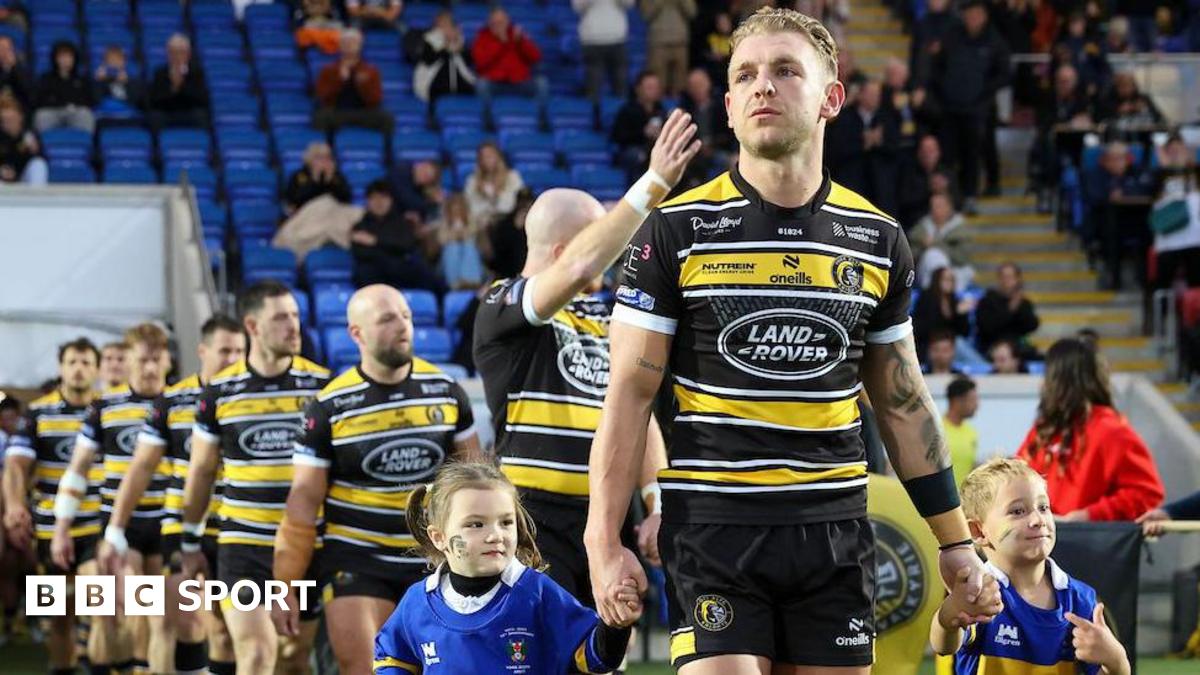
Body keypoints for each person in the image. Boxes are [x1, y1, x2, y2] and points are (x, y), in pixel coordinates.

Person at [586, 9, 1002, 673]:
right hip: (714, 531)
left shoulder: (878, 239)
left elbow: (902, 403)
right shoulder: (674, 231)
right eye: (745, 75)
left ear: (831, 98)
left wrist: (954, 542)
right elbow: (629, 396)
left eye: (785, 70)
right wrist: (602, 538)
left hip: (834, 533)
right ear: (728, 107)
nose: (763, 86)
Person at [474, 179, 689, 604]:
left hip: (607, 513)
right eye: (603, 240)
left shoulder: (610, 316)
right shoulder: (502, 303)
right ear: (565, 251)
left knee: (610, 641)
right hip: (531, 517)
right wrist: (655, 182)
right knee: (542, 641)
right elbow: (580, 269)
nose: (612, 256)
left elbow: (637, 409)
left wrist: (656, 504)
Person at [271, 286, 479, 675]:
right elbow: (303, 502)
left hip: (433, 557)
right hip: (356, 555)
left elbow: (476, 484)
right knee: (365, 666)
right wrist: (285, 586)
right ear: (357, 334)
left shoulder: (446, 391)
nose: (403, 326)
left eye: (406, 316)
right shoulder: (329, 406)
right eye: (387, 319)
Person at [180, 282, 331, 674]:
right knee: (257, 652)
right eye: (280, 317)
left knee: (293, 658)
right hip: (243, 544)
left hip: (304, 546)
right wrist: (189, 539)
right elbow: (201, 471)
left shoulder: (323, 388)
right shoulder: (219, 393)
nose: (293, 325)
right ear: (252, 326)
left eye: (295, 315)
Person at [373, 463, 637, 674]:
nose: (495, 535)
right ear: (439, 537)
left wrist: (616, 624)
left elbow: (593, 658)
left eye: (506, 522)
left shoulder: (536, 592)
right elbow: (391, 659)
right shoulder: (417, 603)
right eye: (476, 525)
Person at [96, 316, 245, 675]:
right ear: (203, 351)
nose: (232, 359)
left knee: (226, 631)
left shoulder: (253, 398)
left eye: (239, 351)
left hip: (241, 526)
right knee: (183, 621)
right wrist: (115, 530)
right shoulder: (172, 402)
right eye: (225, 351)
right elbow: (141, 467)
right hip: (182, 525)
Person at [931, 457, 1131, 675]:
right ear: (978, 531)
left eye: (1043, 507)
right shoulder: (979, 591)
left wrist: (1117, 661)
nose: (1038, 519)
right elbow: (943, 646)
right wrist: (949, 615)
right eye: (1018, 511)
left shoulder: (1080, 599)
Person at [52, 323, 174, 675]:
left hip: (168, 522)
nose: (149, 368)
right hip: (121, 525)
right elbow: (77, 470)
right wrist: (61, 528)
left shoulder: (182, 404)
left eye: (156, 359)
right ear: (127, 360)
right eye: (142, 359)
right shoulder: (105, 407)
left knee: (162, 618)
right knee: (125, 610)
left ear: (168, 360)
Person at [2, 338, 100, 673]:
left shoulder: (107, 410)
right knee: (58, 617)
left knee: (104, 605)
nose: (78, 369)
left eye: (86, 362)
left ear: (97, 370)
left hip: (97, 526)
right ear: (61, 368)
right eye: (72, 362)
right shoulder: (37, 413)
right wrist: (14, 506)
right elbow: (15, 465)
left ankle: (97, 659)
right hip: (47, 529)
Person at [1016, 338, 1165, 522]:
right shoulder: (1044, 431)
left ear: (1058, 381)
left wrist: (1090, 515)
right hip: (1044, 535)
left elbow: (1146, 493)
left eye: (1047, 376)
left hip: (1087, 538)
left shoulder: (1111, 431)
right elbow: (1016, 480)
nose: (1042, 384)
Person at [926, 0, 1011, 214]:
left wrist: (984, 90)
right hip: (950, 108)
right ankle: (950, 198)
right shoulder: (952, 36)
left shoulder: (994, 41)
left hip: (977, 109)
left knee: (972, 154)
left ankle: (970, 196)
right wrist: (942, 90)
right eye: (968, 14)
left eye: (976, 14)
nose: (971, 19)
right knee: (948, 154)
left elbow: (1004, 72)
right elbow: (937, 66)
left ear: (984, 16)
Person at [274, 142, 362, 263]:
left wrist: (329, 180)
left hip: (333, 214)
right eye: (320, 157)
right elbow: (295, 200)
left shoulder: (337, 176)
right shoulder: (298, 176)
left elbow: (346, 199)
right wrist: (315, 181)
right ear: (309, 159)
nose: (324, 161)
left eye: (328, 157)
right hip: (308, 216)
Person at [825, 79, 901, 216]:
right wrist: (863, 142)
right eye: (871, 94)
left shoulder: (886, 117)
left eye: (877, 94)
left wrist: (879, 142)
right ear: (860, 95)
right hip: (852, 180)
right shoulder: (845, 117)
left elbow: (895, 147)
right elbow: (837, 148)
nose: (875, 98)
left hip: (880, 185)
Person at [351, 179, 441, 292]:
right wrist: (392, 250)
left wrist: (375, 241)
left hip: (400, 272)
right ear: (367, 202)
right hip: (375, 275)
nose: (379, 202)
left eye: (383, 197)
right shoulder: (360, 227)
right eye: (374, 198)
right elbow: (361, 253)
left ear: (391, 200)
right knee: (365, 271)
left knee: (424, 272)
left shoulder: (402, 223)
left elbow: (407, 244)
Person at [313, 28, 392, 135]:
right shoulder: (328, 70)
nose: (349, 45)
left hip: (363, 112)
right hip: (337, 111)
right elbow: (322, 96)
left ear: (360, 45)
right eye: (345, 42)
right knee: (321, 117)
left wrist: (363, 84)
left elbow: (376, 99)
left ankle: (387, 146)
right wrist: (339, 80)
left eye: (353, 42)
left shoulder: (371, 71)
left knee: (386, 118)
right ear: (340, 45)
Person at [469, 7, 547, 105]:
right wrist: (501, 43)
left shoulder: (517, 35)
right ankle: (487, 114)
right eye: (494, 23)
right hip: (495, 82)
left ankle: (540, 114)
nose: (498, 26)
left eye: (501, 22)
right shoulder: (482, 37)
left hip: (519, 81)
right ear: (489, 23)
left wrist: (521, 42)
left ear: (507, 21)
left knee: (541, 83)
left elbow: (536, 57)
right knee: (481, 85)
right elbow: (480, 62)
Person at [679, 68, 735, 188]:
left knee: (729, 161)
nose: (697, 89)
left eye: (700, 84)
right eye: (693, 86)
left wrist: (712, 144)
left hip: (718, 149)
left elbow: (729, 134)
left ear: (708, 84)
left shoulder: (720, 106)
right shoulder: (686, 109)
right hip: (695, 153)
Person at [909, 192, 973, 291]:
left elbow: (962, 258)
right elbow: (910, 256)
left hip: (956, 271)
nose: (935, 209)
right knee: (931, 255)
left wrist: (935, 244)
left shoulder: (960, 228)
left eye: (939, 206)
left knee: (934, 254)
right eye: (932, 206)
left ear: (949, 207)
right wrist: (923, 246)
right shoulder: (922, 227)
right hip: (925, 273)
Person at [611, 71, 667, 183]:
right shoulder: (627, 110)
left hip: (655, 148)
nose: (653, 91)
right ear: (638, 89)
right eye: (649, 87)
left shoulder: (661, 110)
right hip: (633, 149)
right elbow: (619, 136)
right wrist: (643, 133)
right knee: (638, 156)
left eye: (656, 87)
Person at [574, 0, 634, 100]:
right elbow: (577, 6)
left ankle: (622, 107)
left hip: (617, 38)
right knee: (593, 87)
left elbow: (628, 4)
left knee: (621, 85)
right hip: (592, 39)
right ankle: (594, 107)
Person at [976, 262, 1040, 355]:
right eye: (1003, 277)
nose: (1006, 281)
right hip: (993, 348)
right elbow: (988, 328)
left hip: (1018, 349)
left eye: (1010, 277)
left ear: (1017, 279)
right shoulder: (987, 301)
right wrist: (1011, 309)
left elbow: (1031, 326)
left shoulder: (1023, 302)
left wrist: (1020, 306)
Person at [33, 41, 95, 134]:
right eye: (62, 57)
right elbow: (40, 100)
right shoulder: (46, 78)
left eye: (69, 57)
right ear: (56, 59)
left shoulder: (81, 79)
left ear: (74, 59)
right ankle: (42, 142)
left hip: (75, 112)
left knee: (86, 114)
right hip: (53, 111)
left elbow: (89, 100)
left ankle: (85, 142)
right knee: (41, 115)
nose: (65, 60)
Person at [148, 34, 209, 130]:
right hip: (167, 112)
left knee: (201, 115)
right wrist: (173, 88)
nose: (177, 56)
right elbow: (155, 100)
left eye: (181, 52)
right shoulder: (160, 73)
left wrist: (181, 85)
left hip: (189, 111)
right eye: (173, 52)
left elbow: (201, 99)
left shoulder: (197, 72)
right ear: (168, 54)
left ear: (188, 54)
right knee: (155, 117)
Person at [413, 11, 475, 103]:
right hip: (434, 81)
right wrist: (446, 45)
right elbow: (428, 60)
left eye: (448, 24)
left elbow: (469, 61)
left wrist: (459, 48)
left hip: (459, 82)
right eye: (442, 24)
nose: (445, 27)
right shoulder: (429, 39)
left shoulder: (460, 39)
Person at [913, 266, 972, 359]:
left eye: (951, 280)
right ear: (937, 280)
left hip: (950, 343)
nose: (949, 282)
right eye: (945, 279)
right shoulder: (926, 297)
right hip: (928, 342)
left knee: (959, 343)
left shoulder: (954, 301)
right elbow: (923, 327)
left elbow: (964, 332)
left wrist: (961, 315)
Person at [464, 140, 524, 231]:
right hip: (481, 225)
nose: (487, 159)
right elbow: (470, 207)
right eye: (483, 157)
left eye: (490, 156)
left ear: (498, 157)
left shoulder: (513, 177)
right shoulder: (472, 181)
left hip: (508, 223)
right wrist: (486, 198)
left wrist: (498, 195)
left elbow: (516, 203)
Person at [641, 0, 697, 97]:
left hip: (680, 42)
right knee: (658, 85)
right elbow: (646, 14)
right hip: (658, 43)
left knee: (680, 85)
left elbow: (692, 12)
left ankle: (679, 104)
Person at [437, 193, 485, 290]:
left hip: (473, 258)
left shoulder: (473, 222)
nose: (457, 213)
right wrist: (453, 235)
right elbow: (441, 241)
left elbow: (476, 239)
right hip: (446, 261)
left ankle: (471, 281)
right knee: (453, 248)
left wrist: (464, 233)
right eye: (454, 211)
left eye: (459, 210)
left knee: (469, 247)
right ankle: (455, 284)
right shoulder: (442, 224)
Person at [0, 99, 46, 185]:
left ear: (20, 117)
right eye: (5, 121)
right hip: (3, 179)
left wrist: (36, 151)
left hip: (23, 177)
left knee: (38, 164)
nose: (8, 124)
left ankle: (37, 193)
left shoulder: (29, 134)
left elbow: (42, 158)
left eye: (11, 120)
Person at [944, 376, 979, 487]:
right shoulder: (937, 431)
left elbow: (970, 468)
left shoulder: (971, 433)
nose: (977, 405)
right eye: (972, 400)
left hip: (963, 496)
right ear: (957, 401)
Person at [93, 45, 145, 117]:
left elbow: (136, 101)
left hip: (127, 114)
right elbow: (96, 100)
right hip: (105, 114)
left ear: (123, 62)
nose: (114, 63)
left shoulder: (133, 80)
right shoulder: (101, 80)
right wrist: (98, 82)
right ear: (105, 63)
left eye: (117, 60)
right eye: (110, 60)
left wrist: (127, 83)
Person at [0, 35, 32, 113]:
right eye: (1, 49)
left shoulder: (22, 68)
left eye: (8, 49)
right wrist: (6, 69)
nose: (5, 52)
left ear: (13, 50)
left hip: (19, 107)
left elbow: (28, 92)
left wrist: (14, 68)